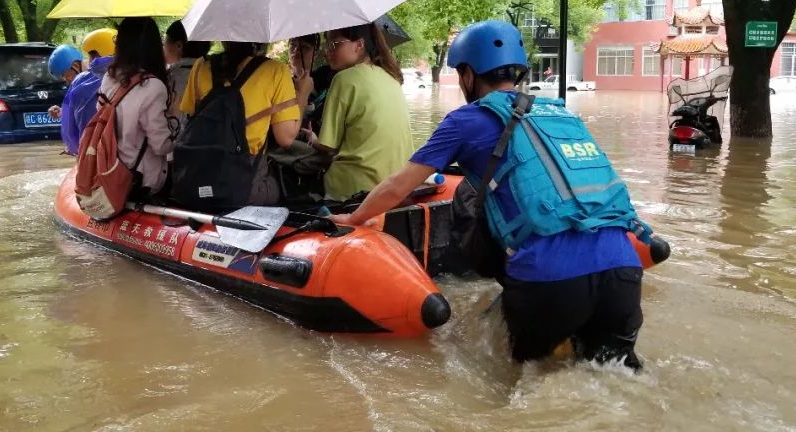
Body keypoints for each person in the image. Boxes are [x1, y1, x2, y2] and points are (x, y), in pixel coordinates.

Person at [329, 20, 647, 370]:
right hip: (623, 270)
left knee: (530, 383)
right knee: (615, 377)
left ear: (467, 74)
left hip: (550, 279)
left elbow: (398, 186)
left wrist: (353, 218)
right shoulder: (558, 113)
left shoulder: (465, 121)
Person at [179, 41, 300, 204]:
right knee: (286, 187)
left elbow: (188, 117)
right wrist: (303, 94)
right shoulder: (275, 70)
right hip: (244, 187)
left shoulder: (201, 66)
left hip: (195, 179)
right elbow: (285, 138)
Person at [302, 23, 412, 201]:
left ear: (359, 45)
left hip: (355, 187)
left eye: (334, 44)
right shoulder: (391, 77)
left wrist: (313, 139)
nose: (326, 51)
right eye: (326, 45)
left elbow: (328, 146)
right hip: (396, 184)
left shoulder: (343, 79)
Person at [100, 17, 175, 195]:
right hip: (140, 181)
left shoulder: (109, 78)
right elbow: (161, 146)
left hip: (108, 171)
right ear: (154, 47)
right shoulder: (153, 86)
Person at [52, 30, 117, 156]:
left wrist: (76, 150)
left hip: (90, 154)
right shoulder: (136, 77)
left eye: (89, 56)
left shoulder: (80, 82)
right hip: (127, 159)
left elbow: (69, 129)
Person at [164, 20, 211, 136]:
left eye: (166, 42)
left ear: (179, 45)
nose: (163, 47)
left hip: (178, 144)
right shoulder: (213, 73)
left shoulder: (172, 77)